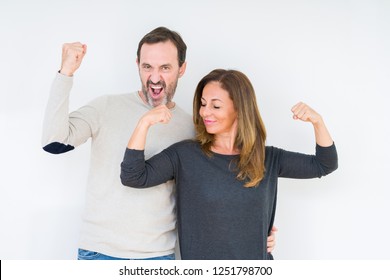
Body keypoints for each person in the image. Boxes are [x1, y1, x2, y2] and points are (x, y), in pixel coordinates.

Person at [42, 27, 277, 260]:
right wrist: (66, 73)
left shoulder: (194, 128)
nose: (154, 77)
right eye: (147, 67)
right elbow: (54, 142)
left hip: (158, 257)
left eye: (165, 67)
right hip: (99, 253)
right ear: (137, 65)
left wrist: (255, 233)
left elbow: (221, 190)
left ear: (181, 69)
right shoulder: (105, 107)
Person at [120, 69, 338, 260]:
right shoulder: (185, 155)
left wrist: (317, 121)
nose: (205, 112)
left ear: (239, 109)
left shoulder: (267, 158)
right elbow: (133, 176)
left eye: (216, 106)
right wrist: (144, 123)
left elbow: (324, 164)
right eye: (203, 104)